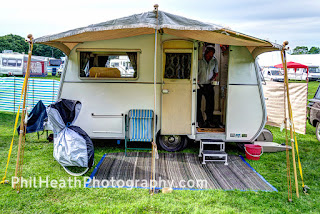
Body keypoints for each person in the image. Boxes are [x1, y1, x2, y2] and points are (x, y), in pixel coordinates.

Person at [197, 44, 219, 128]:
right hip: (199, 85)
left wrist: (213, 79)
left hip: (209, 85)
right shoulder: (199, 59)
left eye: (212, 55)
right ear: (205, 53)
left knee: (210, 104)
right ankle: (200, 121)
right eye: (209, 55)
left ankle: (209, 121)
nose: (210, 56)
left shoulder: (214, 61)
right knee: (197, 104)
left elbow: (216, 73)